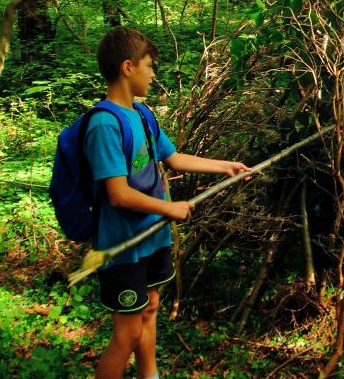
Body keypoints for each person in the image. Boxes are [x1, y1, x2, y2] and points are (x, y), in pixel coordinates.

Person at [85, 27, 250, 379]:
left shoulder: (143, 115)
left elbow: (173, 158)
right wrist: (170, 209)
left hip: (154, 238)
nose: (153, 73)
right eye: (149, 65)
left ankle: (151, 375)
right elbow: (118, 193)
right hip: (122, 246)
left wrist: (226, 167)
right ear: (128, 68)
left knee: (150, 310)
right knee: (127, 334)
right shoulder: (104, 124)